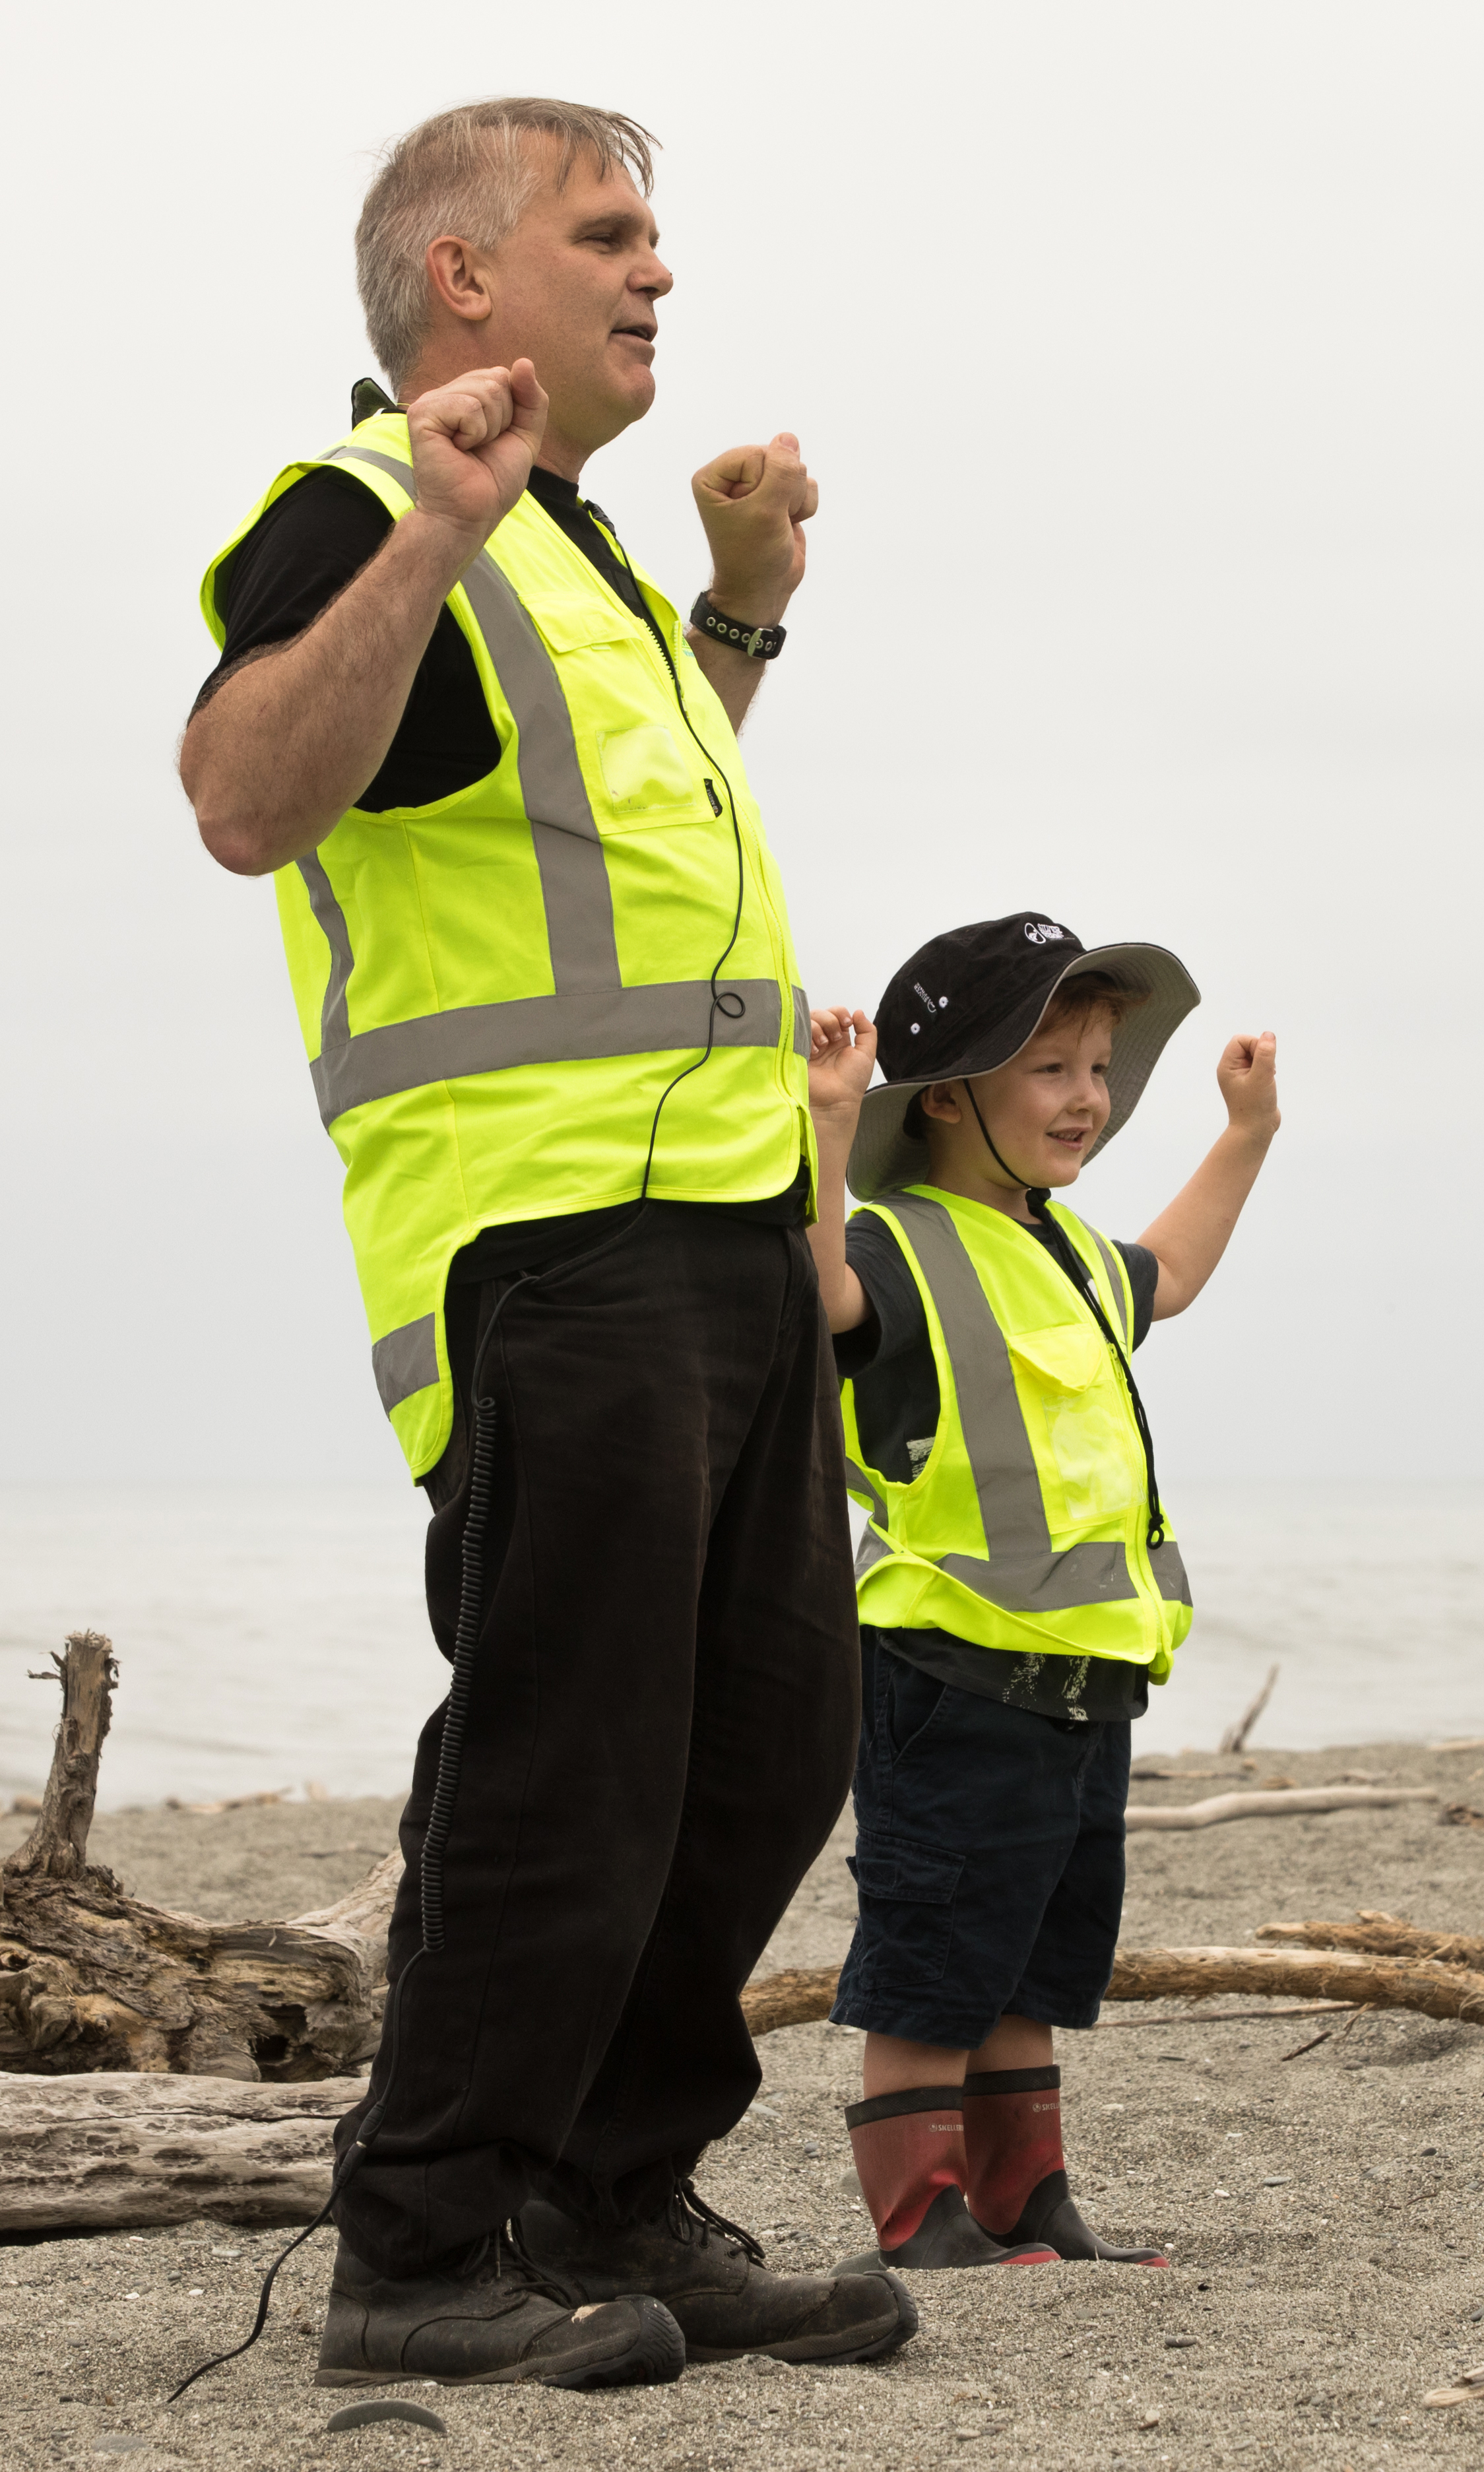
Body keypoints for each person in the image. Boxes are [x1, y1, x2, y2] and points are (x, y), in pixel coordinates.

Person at [181, 100, 905, 2388]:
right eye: (609, 231)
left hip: (724, 1236)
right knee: (567, 1762)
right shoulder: (371, 511)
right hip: (544, 1247)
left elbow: (625, 829)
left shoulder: (568, 554)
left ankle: (611, 2194)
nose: (658, 267)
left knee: (773, 1743)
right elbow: (241, 793)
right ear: (458, 275)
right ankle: (421, 2241)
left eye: (661, 234)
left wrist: (736, 617)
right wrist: (434, 514)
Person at [800, 913, 1279, 2270]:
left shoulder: (1064, 1255)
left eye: (1100, 1068)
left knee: (1038, 1953)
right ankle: (920, 2210)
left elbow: (1169, 1272)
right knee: (938, 1951)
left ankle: (1027, 2196)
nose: (1089, 1098)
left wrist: (1245, 1132)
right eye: (1050, 1069)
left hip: (1084, 1676)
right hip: (948, 1668)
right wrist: (830, 1126)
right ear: (947, 1097)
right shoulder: (899, 1238)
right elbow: (810, 1287)